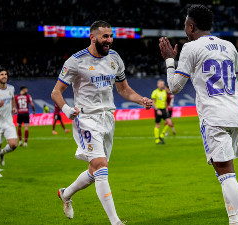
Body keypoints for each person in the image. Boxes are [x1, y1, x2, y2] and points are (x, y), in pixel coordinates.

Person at [159, 5, 238, 225]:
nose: (184, 28)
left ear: (191, 26)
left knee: (226, 175)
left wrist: (169, 60)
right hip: (235, 115)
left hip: (214, 116)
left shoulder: (191, 48)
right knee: (224, 173)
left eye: (185, 24)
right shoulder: (230, 46)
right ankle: (233, 220)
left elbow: (174, 87)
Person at [51, 20, 152, 225]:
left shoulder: (115, 58)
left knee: (95, 170)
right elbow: (56, 92)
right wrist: (67, 109)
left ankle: (66, 194)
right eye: (105, 36)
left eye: (110, 36)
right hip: (86, 119)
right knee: (101, 167)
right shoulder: (75, 61)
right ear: (93, 37)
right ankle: (115, 221)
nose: (109, 40)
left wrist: (141, 99)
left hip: (108, 119)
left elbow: (123, 89)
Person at [0, 68, 18, 178]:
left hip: (8, 121)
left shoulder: (11, 88)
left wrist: (13, 107)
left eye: (5, 74)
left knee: (14, 145)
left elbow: (12, 98)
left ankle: (2, 153)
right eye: (2, 74)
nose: (4, 76)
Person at [151, 79, 173, 144]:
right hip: (158, 110)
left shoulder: (164, 92)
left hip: (164, 109)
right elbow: (153, 102)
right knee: (158, 125)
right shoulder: (155, 92)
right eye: (161, 84)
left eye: (163, 84)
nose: (162, 85)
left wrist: (166, 109)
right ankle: (157, 140)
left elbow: (165, 101)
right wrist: (157, 110)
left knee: (169, 123)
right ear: (158, 85)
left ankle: (162, 135)